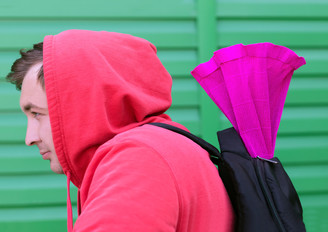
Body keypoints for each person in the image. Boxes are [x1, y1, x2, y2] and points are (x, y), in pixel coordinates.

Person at [6, 30, 234, 232]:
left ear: (85, 102)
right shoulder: (165, 145)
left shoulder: (138, 158)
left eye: (37, 113)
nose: (30, 138)